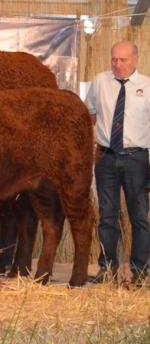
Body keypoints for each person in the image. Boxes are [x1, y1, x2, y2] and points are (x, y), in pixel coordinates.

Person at [85, 40, 150, 284]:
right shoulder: (100, 82)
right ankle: (107, 269)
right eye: (114, 59)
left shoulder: (147, 86)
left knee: (139, 216)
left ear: (135, 59)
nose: (117, 64)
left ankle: (140, 271)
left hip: (137, 159)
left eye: (123, 60)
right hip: (105, 158)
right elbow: (89, 113)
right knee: (107, 216)